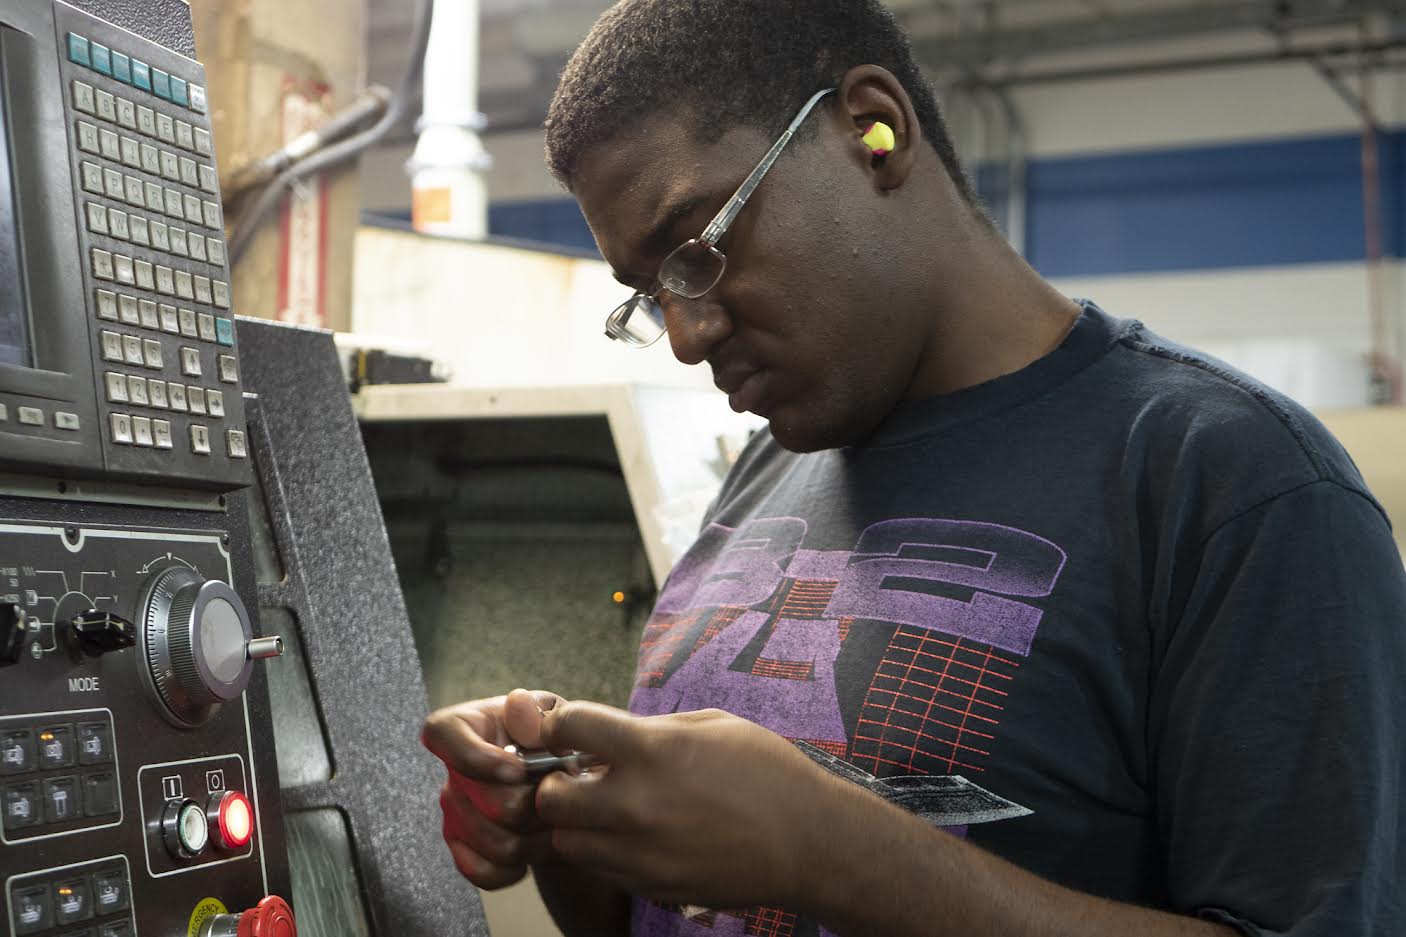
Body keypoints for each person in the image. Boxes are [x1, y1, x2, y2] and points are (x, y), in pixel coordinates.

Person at [421, 1, 1406, 934]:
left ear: (871, 130)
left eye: (696, 251)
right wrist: (562, 819)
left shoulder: (1231, 485)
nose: (684, 333)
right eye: (648, 292)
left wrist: (835, 853)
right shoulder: (772, 467)